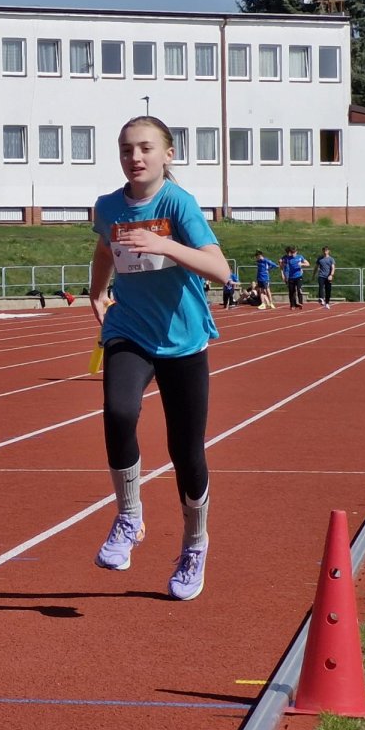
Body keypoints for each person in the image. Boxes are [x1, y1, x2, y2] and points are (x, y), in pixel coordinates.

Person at [88, 115, 230, 602]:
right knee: (118, 411)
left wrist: (164, 244)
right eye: (127, 149)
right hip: (129, 329)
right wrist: (97, 291)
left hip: (182, 338)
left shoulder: (177, 203)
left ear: (168, 154)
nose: (135, 157)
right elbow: (105, 248)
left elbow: (220, 270)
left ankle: (195, 543)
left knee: (185, 451)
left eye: (146, 148)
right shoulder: (108, 206)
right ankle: (129, 517)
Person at [280, 245, 309, 310]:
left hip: (299, 276)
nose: (293, 254)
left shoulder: (300, 257)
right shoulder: (288, 258)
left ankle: (300, 303)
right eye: (292, 253)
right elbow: (281, 263)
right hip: (291, 277)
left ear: (296, 252)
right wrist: (283, 274)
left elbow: (308, 264)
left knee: (299, 289)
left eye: (294, 252)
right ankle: (292, 305)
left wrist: (302, 264)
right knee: (291, 291)